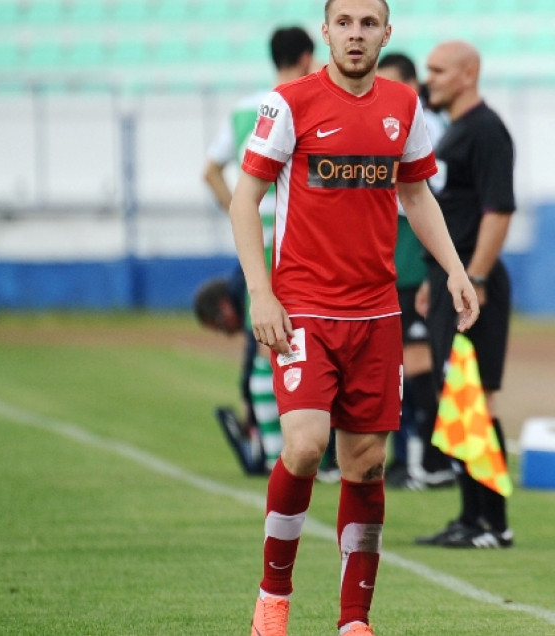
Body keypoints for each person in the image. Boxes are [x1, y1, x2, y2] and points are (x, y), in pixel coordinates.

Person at [227, 0, 479, 634]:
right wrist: (262, 293)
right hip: (304, 309)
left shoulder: (403, 107)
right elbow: (244, 200)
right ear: (327, 32)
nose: (357, 35)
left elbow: (417, 193)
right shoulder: (290, 104)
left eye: (370, 24)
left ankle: (353, 622)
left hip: (377, 315)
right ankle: (273, 597)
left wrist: (454, 269)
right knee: (307, 447)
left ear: (386, 33)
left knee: (366, 466)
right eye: (346, 23)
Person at [412, 40, 516, 549]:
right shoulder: (454, 133)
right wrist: (440, 279)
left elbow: (498, 211)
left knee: (476, 397)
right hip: (451, 281)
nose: (427, 78)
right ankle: (469, 517)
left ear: (468, 72)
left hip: (475, 284)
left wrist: (472, 277)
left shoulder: (487, 131)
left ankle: (492, 523)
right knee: (454, 397)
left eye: (437, 70)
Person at [202, 26, 316, 472]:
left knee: (269, 343)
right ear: (308, 56)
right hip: (302, 240)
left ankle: (273, 452)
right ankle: (292, 455)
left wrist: (239, 211)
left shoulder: (245, 109)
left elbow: (210, 170)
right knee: (299, 345)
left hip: (260, 237)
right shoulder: (308, 102)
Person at [374, 51, 456, 490]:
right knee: (397, 369)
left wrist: (434, 272)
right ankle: (412, 457)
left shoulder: (427, 126)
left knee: (421, 364)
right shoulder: (379, 120)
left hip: (414, 263)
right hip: (390, 263)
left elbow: (429, 194)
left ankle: (436, 457)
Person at [193, 272, 267, 476]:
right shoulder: (242, 282)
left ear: (224, 306)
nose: (224, 334)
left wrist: (248, 401)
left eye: (219, 326)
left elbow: (256, 347)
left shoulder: (245, 290)